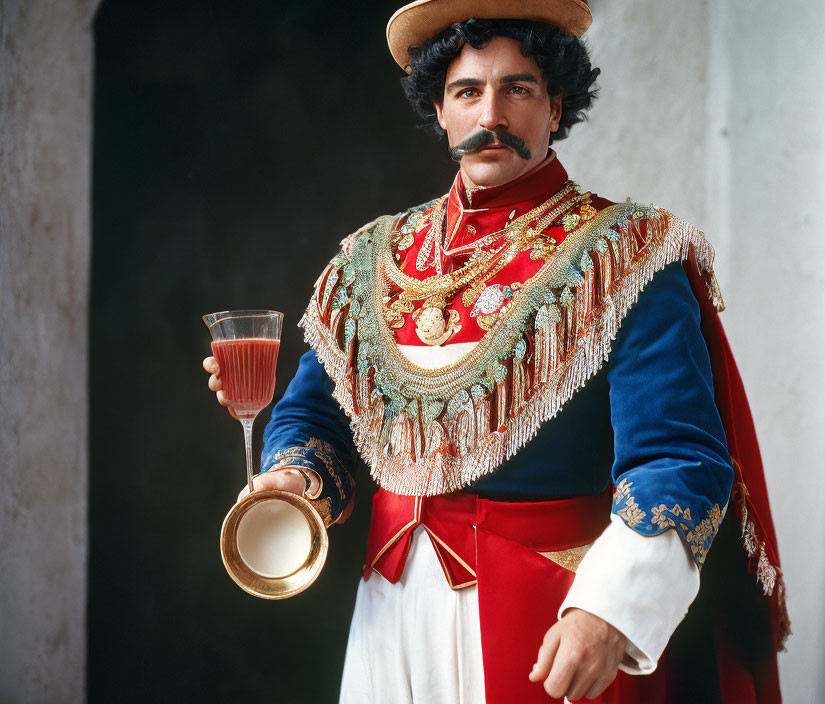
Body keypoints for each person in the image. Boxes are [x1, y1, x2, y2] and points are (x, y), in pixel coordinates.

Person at [204, 2, 788, 702]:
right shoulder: (372, 260)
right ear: (440, 109)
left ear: (555, 106)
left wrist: (608, 610)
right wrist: (293, 480)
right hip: (389, 616)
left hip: (553, 616)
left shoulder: (626, 255)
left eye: (518, 88)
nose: (493, 114)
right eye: (467, 91)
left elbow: (677, 460)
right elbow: (316, 419)